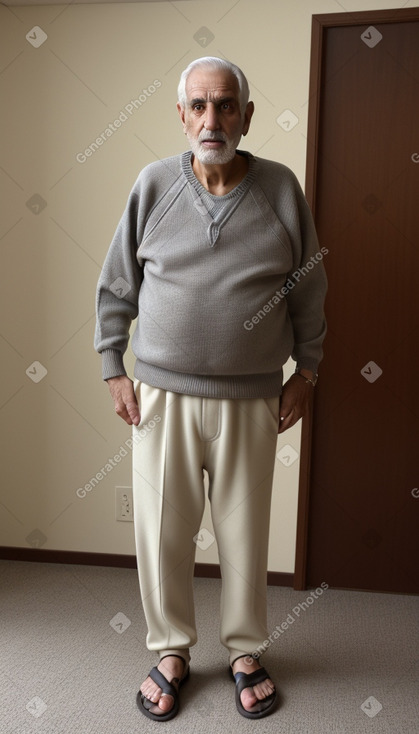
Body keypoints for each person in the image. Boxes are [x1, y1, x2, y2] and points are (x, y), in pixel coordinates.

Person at [94, 56, 327, 721]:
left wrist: (305, 373)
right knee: (161, 531)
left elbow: (309, 289)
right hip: (160, 394)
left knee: (244, 533)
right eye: (197, 106)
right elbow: (117, 283)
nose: (211, 119)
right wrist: (112, 364)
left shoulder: (280, 188)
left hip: (252, 396)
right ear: (180, 115)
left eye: (225, 105)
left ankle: (245, 651)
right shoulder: (153, 185)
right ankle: (170, 650)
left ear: (246, 116)